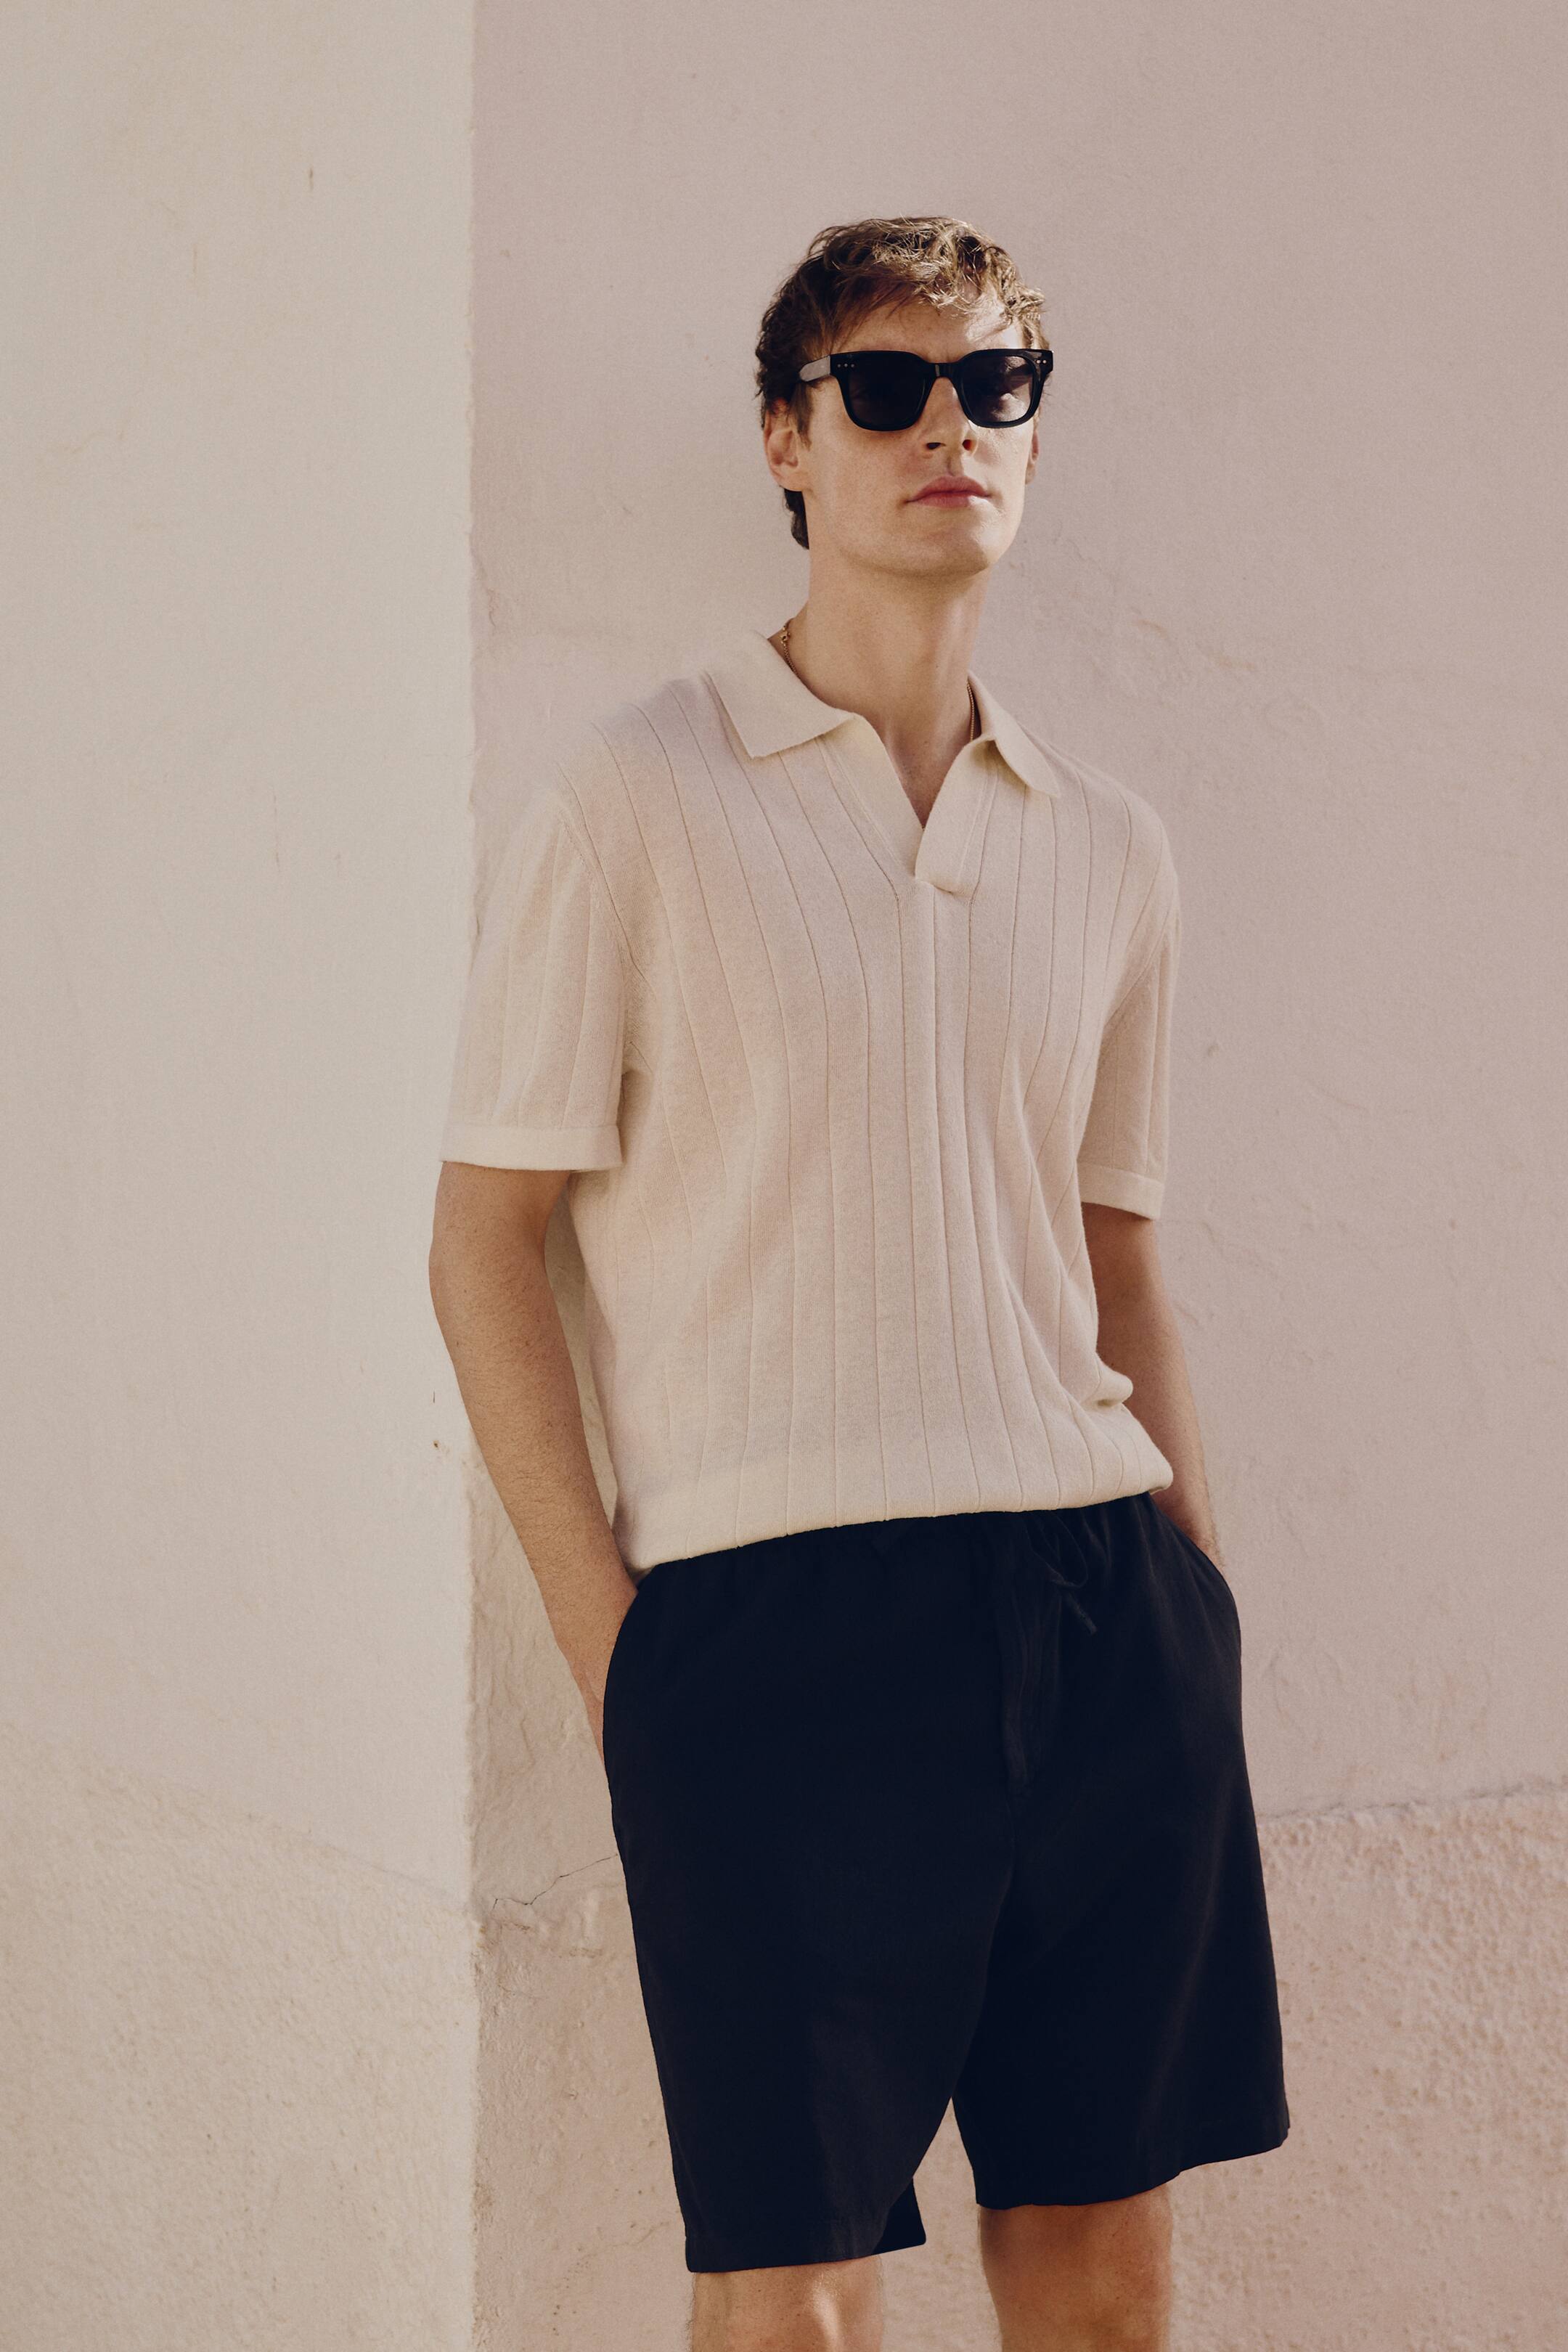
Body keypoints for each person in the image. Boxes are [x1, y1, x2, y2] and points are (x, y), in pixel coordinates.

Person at [429, 216, 1289, 2352]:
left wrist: (1195, 1591)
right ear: (786, 443)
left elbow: (1115, 1246)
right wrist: (624, 1659)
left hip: (1100, 1609)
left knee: (1104, 2274)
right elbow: (482, 1243)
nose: (948, 429)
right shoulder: (634, 799)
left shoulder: (1107, 841)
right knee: (792, 2296)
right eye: (887, 388)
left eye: (995, 387)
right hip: (770, 1627)